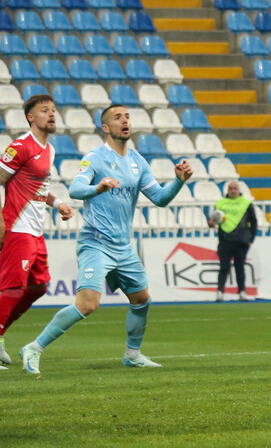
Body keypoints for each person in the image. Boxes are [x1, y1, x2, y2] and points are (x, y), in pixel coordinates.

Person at [19, 104, 193, 375]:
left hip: (124, 247)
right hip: (96, 242)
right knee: (88, 304)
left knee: (141, 299)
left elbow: (159, 199)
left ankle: (132, 355)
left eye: (127, 116)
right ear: (105, 127)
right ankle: (34, 347)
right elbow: (76, 190)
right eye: (117, 117)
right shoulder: (95, 158)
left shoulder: (137, 161)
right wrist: (97, 187)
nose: (124, 121)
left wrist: (178, 181)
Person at [0, 95, 75, 367]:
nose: (52, 114)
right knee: (12, 287)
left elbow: (39, 187)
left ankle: (0, 334)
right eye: (45, 111)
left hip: (36, 230)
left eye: (54, 110)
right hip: (16, 226)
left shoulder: (49, 149)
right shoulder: (20, 146)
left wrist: (58, 204)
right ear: (31, 117)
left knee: (39, 286)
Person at [209, 181, 258, 302]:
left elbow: (253, 222)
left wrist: (251, 239)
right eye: (230, 188)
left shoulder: (246, 203)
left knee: (239, 267)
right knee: (224, 267)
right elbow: (212, 220)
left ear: (239, 190)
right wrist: (210, 223)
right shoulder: (220, 203)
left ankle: (242, 292)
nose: (233, 190)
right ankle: (220, 292)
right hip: (225, 240)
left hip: (241, 241)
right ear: (227, 190)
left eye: (235, 188)